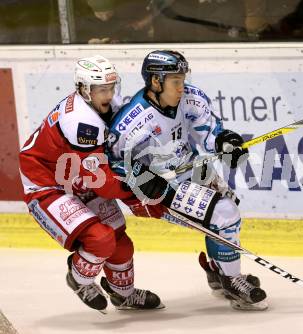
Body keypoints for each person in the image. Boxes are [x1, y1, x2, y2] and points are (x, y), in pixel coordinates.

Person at [106, 50, 268, 311]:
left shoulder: (190, 98)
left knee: (227, 207)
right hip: (161, 188)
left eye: (183, 78)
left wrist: (226, 141)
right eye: (175, 82)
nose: (182, 87)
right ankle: (232, 280)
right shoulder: (133, 121)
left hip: (190, 167)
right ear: (156, 82)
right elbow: (113, 161)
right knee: (225, 214)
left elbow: (209, 131)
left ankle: (218, 273)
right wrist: (141, 177)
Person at [19, 55, 163, 313]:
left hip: (77, 176)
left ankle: (123, 294)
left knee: (121, 244)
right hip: (48, 183)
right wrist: (138, 190)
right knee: (100, 239)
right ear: (85, 90)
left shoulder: (109, 104)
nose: (108, 95)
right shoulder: (82, 124)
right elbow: (102, 183)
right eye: (100, 90)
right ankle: (79, 279)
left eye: (111, 87)